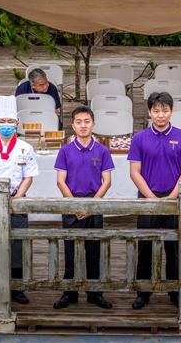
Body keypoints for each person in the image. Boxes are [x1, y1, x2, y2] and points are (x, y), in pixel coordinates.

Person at [127, 92, 181, 310]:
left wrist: (171, 197)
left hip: (174, 199)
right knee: (145, 244)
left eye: (165, 110)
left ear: (171, 111)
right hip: (148, 197)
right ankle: (143, 292)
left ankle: (175, 290)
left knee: (174, 246)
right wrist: (152, 198)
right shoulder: (139, 138)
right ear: (149, 112)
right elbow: (134, 172)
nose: (161, 115)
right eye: (156, 110)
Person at [0, 95, 39, 305]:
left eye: (10, 122)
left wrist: (16, 199)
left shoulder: (25, 148)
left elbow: (28, 177)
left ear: (17, 124)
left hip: (17, 200)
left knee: (17, 244)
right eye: (2, 121)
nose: (6, 125)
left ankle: (18, 288)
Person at [52, 106, 114, 310]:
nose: (83, 125)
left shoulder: (102, 150)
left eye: (87, 121)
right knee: (70, 249)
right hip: (72, 203)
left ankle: (94, 292)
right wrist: (75, 205)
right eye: (79, 122)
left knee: (94, 249)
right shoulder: (65, 150)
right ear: (73, 125)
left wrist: (92, 205)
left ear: (93, 124)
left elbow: (107, 181)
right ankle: (69, 291)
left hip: (94, 203)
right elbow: (61, 181)